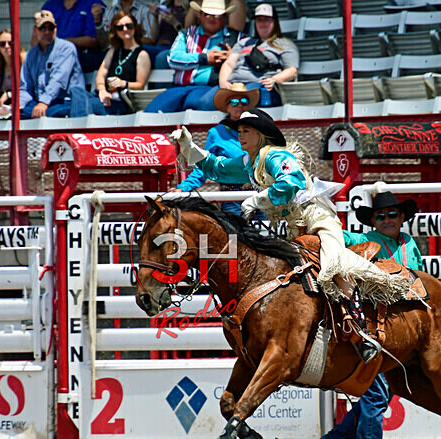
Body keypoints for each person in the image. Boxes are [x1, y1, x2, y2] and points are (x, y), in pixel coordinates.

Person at [171, 109, 410, 362]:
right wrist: (189, 145)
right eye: (239, 131)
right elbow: (217, 169)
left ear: (261, 134)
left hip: (317, 218)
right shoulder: (250, 162)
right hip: (294, 227)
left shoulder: (276, 155)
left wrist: (259, 198)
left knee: (333, 264)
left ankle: (362, 333)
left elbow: (292, 181)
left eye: (246, 131)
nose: (240, 135)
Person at [317, 191, 423, 439]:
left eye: (393, 214)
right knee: (377, 395)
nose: (388, 219)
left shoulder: (410, 244)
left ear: (402, 217)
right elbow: (332, 233)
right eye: (381, 216)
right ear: (373, 221)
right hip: (371, 327)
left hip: (398, 329)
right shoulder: (358, 241)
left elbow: (421, 278)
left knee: (381, 394)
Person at [172, 82, 260, 214]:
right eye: (234, 102)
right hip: (232, 197)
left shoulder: (260, 130)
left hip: (260, 193)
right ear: (227, 107)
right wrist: (184, 188)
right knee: (235, 233)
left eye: (244, 101)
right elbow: (204, 164)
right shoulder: (216, 133)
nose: (240, 105)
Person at [145, 0, 244, 113]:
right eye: (207, 14)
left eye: (216, 15)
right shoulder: (186, 34)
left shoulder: (237, 38)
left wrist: (233, 59)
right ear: (200, 15)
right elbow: (173, 59)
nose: (211, 19)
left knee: (201, 103)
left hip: (210, 89)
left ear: (224, 17)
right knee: (151, 112)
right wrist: (205, 58)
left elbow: (250, 62)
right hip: (179, 89)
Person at [70, 11, 151, 117]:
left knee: (78, 105)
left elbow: (140, 85)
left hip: (120, 101)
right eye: (120, 27)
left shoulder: (142, 54)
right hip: (103, 96)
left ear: (135, 27)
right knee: (76, 91)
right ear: (116, 31)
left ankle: (78, 129)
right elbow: (101, 74)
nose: (125, 29)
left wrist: (123, 83)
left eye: (129, 26)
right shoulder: (113, 51)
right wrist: (102, 91)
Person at [218, 4, 298, 108]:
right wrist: (223, 82)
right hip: (234, 85)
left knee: (239, 100)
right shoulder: (244, 42)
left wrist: (275, 79)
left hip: (259, 84)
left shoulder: (285, 44)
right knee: (204, 100)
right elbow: (229, 64)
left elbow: (292, 71)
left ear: (275, 22)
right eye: (259, 20)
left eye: (267, 20)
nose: (263, 24)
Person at [20, 10, 86, 119]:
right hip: (41, 102)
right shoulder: (31, 54)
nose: (47, 32)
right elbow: (25, 87)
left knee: (51, 113)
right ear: (35, 30)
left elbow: (58, 81)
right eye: (42, 28)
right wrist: (18, 105)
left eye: (51, 28)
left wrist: (43, 103)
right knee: (17, 114)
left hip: (67, 101)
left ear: (56, 28)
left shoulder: (66, 48)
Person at [41, 0, 107, 72]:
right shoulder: (50, 5)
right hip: (51, 56)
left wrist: (61, 43)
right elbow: (36, 36)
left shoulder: (94, 4)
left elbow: (93, 40)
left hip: (81, 56)